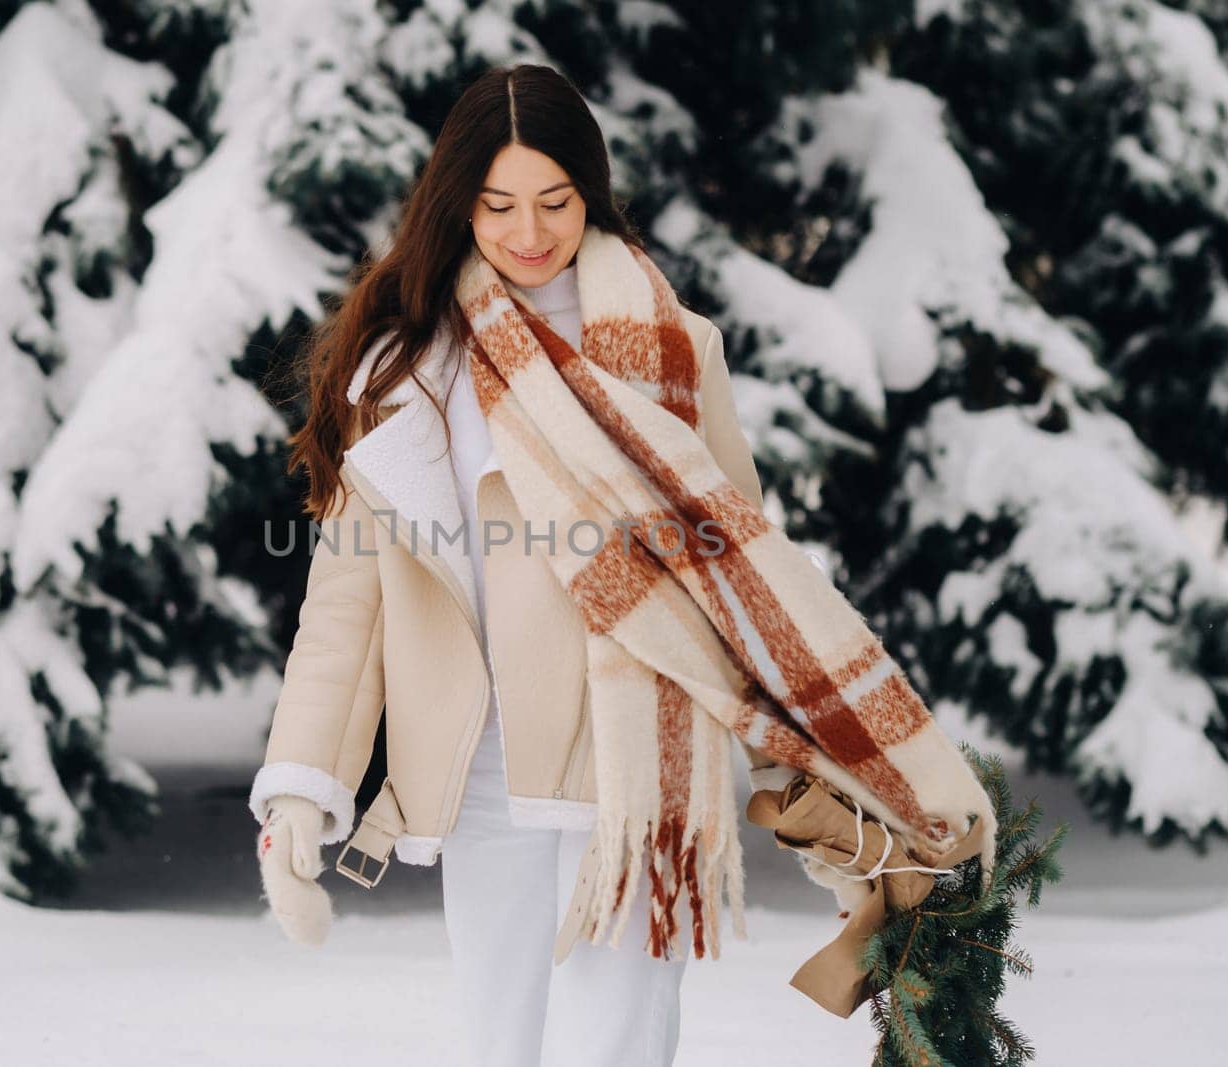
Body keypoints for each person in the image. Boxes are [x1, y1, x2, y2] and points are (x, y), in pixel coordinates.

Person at [247, 61, 995, 1067]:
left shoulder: (673, 353)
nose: (527, 231)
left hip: (637, 760)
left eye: (553, 200)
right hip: (475, 767)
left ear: (589, 193)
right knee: (498, 1043)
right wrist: (304, 778)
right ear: (454, 203)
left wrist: (804, 758)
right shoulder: (405, 367)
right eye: (497, 203)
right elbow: (348, 604)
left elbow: (744, 575)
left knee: (614, 1046)